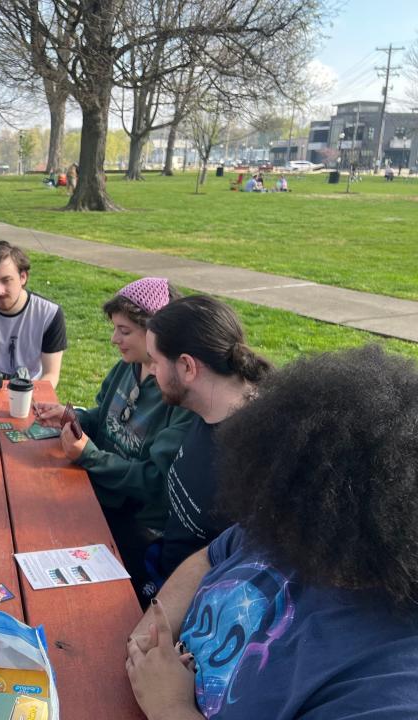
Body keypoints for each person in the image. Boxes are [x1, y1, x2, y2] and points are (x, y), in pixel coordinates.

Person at [126, 345, 418, 719]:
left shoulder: (390, 685)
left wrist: (170, 705)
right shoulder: (293, 522)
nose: (269, 526)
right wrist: (147, 636)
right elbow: (209, 557)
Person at [35, 278, 192, 594]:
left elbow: (153, 482)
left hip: (134, 524)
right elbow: (103, 418)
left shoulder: (178, 395)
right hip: (95, 493)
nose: (113, 339)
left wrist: (88, 456)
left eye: (124, 331)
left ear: (155, 332)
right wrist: (74, 417)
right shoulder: (128, 366)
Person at [138, 295, 272, 605]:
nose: (151, 371)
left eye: (155, 362)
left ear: (187, 366)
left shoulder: (254, 456)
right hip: (160, 573)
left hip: (188, 618)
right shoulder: (202, 410)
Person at [0, 241, 67, 387]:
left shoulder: (49, 314)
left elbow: (50, 375)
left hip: (31, 388)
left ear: (23, 277)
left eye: (6, 280)